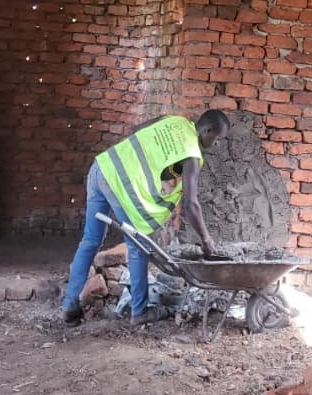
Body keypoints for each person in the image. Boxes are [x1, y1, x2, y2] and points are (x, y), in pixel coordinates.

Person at [61, 110, 230, 327]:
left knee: (90, 240)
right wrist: (206, 240)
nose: (217, 145)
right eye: (217, 139)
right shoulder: (192, 155)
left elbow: (135, 132)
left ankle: (69, 306)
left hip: (102, 168)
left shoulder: (174, 121)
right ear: (207, 130)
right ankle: (139, 311)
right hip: (120, 186)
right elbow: (191, 204)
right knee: (138, 248)